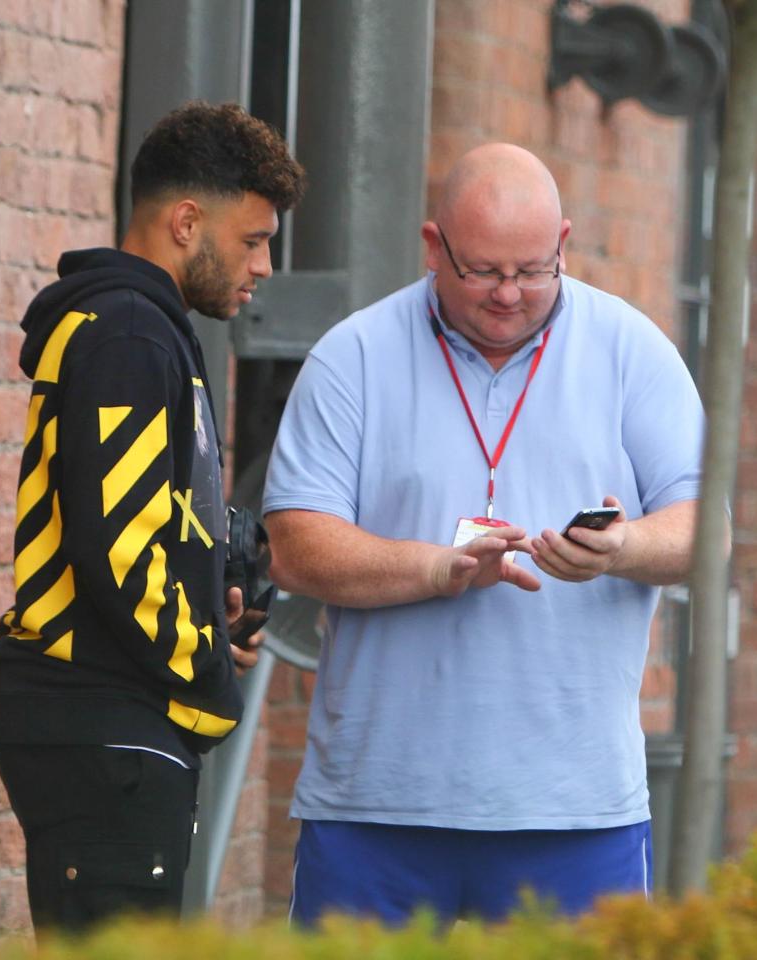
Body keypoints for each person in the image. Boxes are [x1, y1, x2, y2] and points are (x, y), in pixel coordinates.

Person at [262, 143, 715, 927]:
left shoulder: (635, 352)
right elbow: (296, 545)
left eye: (534, 270)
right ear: (434, 246)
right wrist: (434, 569)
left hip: (577, 813)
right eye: (482, 271)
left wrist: (623, 549)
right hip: (378, 808)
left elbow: (710, 531)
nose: (510, 295)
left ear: (564, 244)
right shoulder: (354, 356)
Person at [0, 100, 305, 933]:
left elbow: (137, 528)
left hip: (106, 719)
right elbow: (118, 550)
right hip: (105, 724)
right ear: (186, 220)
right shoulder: (129, 333)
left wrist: (207, 610)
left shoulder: (135, 327)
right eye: (253, 239)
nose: (265, 265)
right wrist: (206, 669)